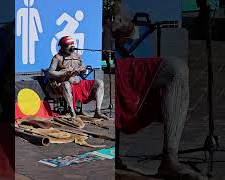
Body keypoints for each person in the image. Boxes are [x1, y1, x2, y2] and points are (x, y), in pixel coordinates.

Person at [111, 1, 207, 180]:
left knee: (176, 69)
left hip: (113, 66)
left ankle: (170, 159)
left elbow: (129, 33)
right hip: (79, 67)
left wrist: (121, 24)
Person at [47, 36, 108, 120]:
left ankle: (98, 111)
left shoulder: (77, 56)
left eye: (72, 45)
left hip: (79, 83)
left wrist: (82, 69)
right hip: (65, 84)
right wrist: (62, 73)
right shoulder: (58, 57)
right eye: (69, 45)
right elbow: (50, 72)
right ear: (63, 46)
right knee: (66, 84)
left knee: (99, 82)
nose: (72, 47)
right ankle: (72, 112)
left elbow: (83, 69)